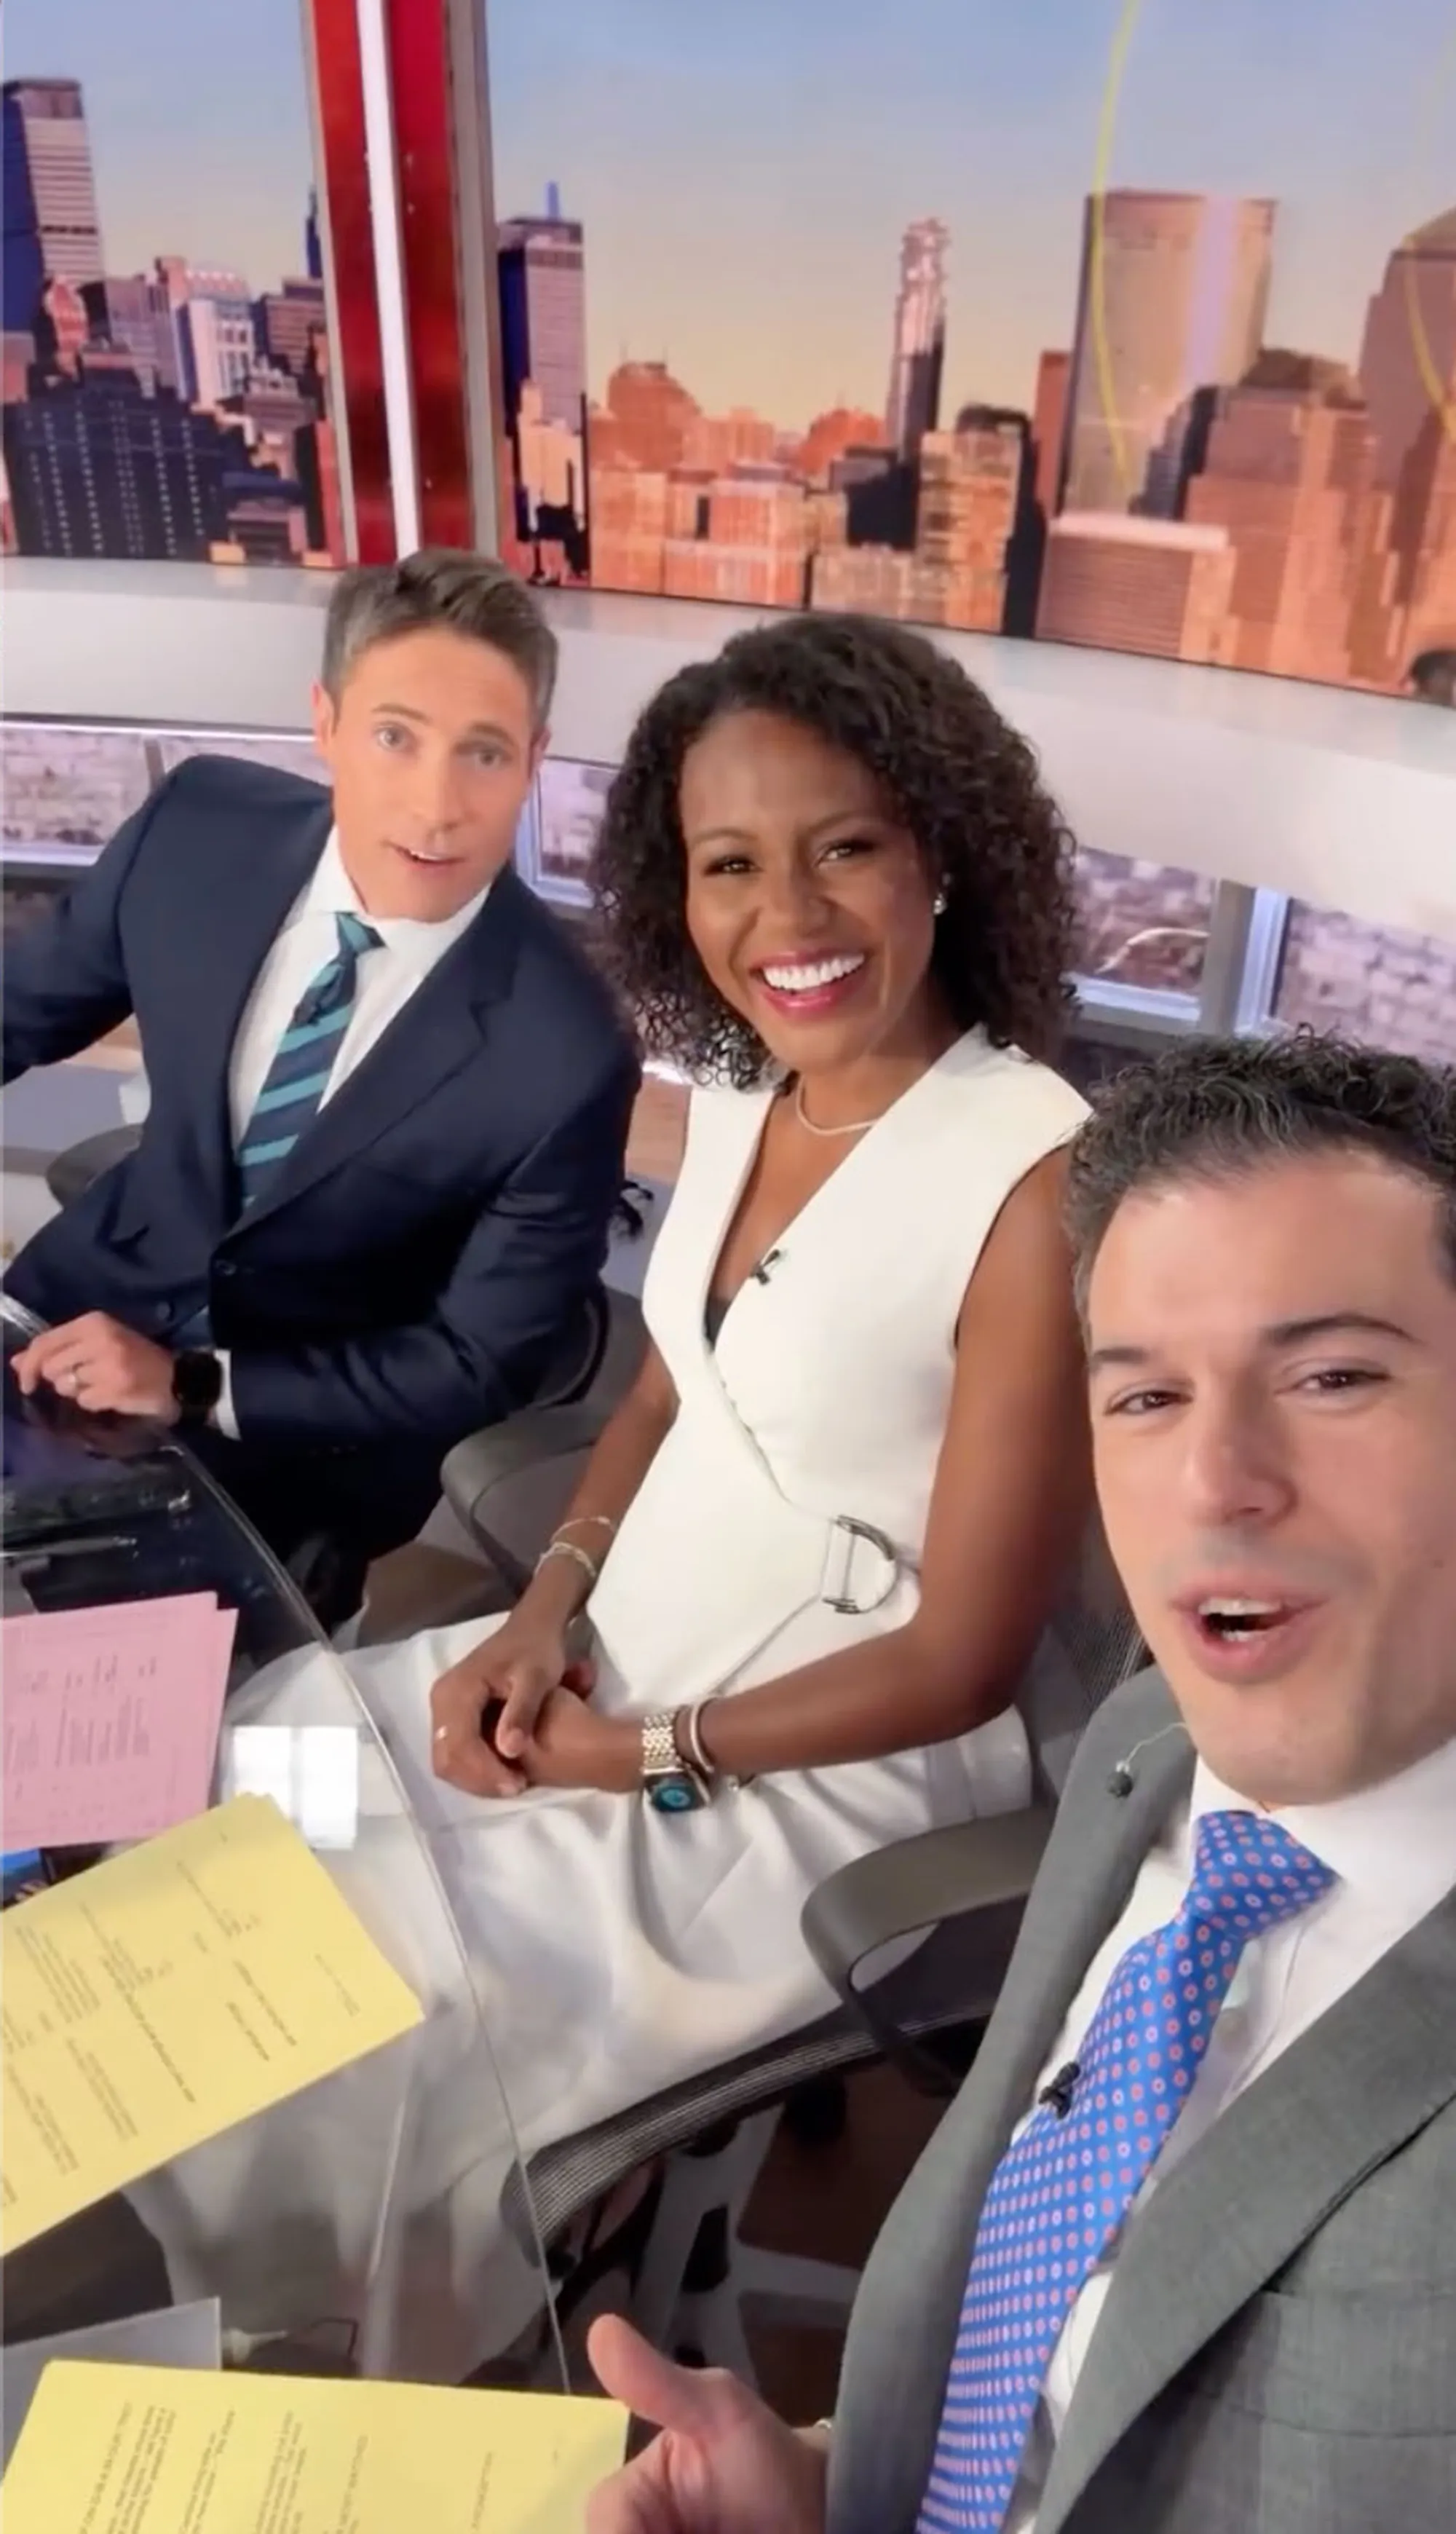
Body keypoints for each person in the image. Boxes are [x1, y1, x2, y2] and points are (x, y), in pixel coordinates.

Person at [137, 611, 1093, 2376]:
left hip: (817, 1762)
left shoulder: (1034, 1176)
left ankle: (355, 2372)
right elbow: (666, 1387)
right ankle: (180, 2272)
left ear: (943, 854)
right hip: (609, 1657)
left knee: (381, 2007)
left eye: (846, 850)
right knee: (248, 1771)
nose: (786, 923)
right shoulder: (742, 1093)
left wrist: (633, 1754)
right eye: (732, 867)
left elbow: (964, 1657)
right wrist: (544, 1612)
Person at [586, 1030, 1456, 2534]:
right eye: (1144, 1398)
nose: (1215, 1481)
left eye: (1329, 1375)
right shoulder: (1142, 1756)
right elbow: (1064, 2349)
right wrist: (833, 2491)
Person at [2, 550, 638, 1603]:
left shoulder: (566, 1050)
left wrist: (192, 1385)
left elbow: (478, 1361)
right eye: (396, 738)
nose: (436, 807)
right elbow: (21, 1005)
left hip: (291, 1451)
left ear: (533, 761)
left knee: (188, 1748)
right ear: (327, 724)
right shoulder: (198, 831)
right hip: (66, 1321)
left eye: (482, 754)